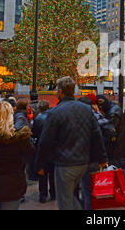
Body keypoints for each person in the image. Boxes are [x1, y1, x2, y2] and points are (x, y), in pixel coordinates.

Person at [34, 77, 108, 210]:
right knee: (71, 197)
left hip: (65, 164)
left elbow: (45, 142)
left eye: (57, 90)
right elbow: (97, 135)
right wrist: (102, 158)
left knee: (65, 201)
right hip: (83, 162)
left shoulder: (55, 112)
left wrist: (40, 164)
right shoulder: (86, 109)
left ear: (61, 91)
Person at [31, 100, 55, 203]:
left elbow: (34, 134)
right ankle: (53, 193)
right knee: (52, 173)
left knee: (42, 173)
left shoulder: (38, 119)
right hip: (53, 148)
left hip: (41, 148)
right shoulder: (53, 118)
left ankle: (43, 195)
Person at [97, 94, 125, 166]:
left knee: (114, 167)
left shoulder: (113, 112)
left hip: (115, 147)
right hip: (117, 146)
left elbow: (110, 131)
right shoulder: (113, 109)